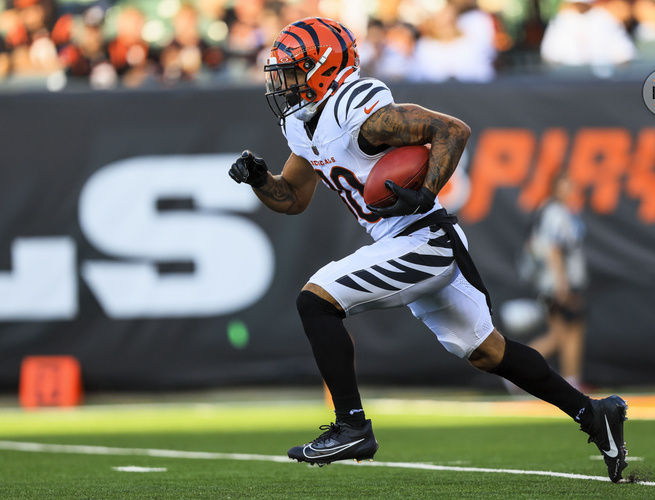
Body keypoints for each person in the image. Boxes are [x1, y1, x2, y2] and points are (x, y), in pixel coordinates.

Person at [228, 17, 628, 482]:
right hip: (408, 241)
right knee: (487, 351)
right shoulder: (304, 124)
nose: (285, 83)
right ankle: (592, 413)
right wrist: (260, 180)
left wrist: (427, 188)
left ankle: (352, 425)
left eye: (294, 72)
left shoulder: (355, 111)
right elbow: (292, 199)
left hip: (422, 237)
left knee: (315, 300)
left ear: (324, 69)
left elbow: (452, 130)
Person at [526, 174, 588, 391]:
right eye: (565, 186)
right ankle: (514, 370)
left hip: (559, 281)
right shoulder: (555, 212)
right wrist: (562, 283)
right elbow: (553, 249)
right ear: (555, 188)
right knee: (562, 334)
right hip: (557, 282)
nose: (570, 190)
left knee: (568, 332)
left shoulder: (556, 211)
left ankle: (572, 380)